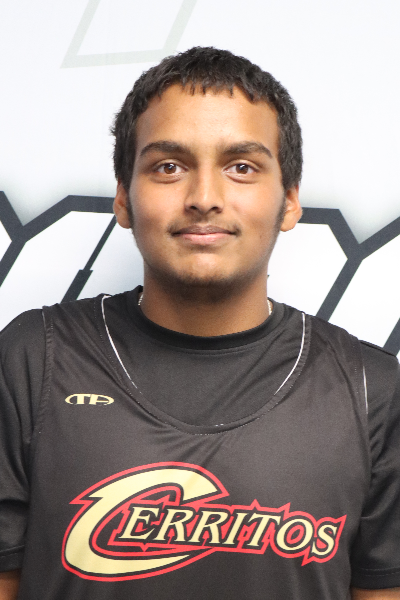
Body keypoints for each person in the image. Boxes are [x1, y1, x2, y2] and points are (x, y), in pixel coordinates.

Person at [0, 47, 399, 600]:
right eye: (169, 166)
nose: (204, 198)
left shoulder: (370, 389)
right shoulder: (33, 359)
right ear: (124, 198)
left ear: (288, 200)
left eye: (241, 167)